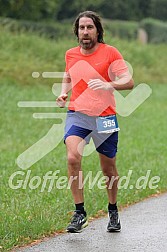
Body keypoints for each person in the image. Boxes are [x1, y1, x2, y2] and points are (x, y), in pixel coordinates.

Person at [56, 10, 134, 233]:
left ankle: (112, 210)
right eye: (81, 28)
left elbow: (129, 81)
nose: (85, 32)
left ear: (98, 31)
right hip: (77, 114)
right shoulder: (71, 54)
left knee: (108, 167)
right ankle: (79, 213)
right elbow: (68, 75)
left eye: (90, 27)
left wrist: (110, 85)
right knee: (72, 157)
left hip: (105, 116)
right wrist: (63, 93)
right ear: (77, 32)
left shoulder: (110, 53)